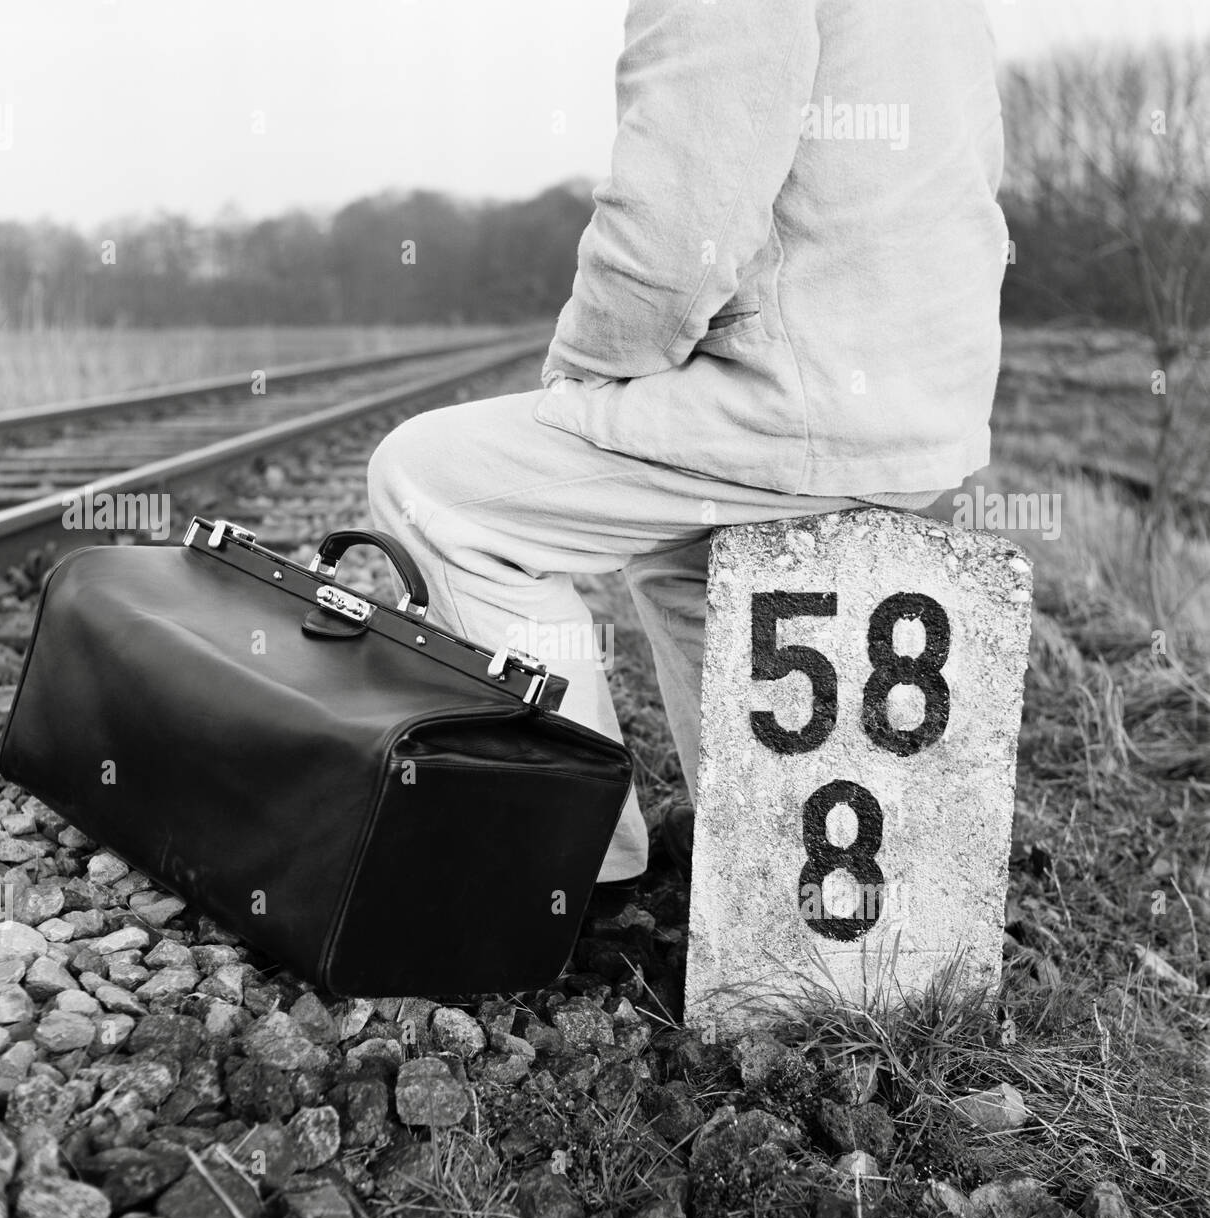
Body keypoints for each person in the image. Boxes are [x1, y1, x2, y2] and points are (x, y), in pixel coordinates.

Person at [368, 0, 1007, 901]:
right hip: (924, 404)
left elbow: (675, 216)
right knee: (682, 552)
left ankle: (578, 867)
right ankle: (774, 866)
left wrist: (587, 377)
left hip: (795, 400)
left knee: (431, 483)